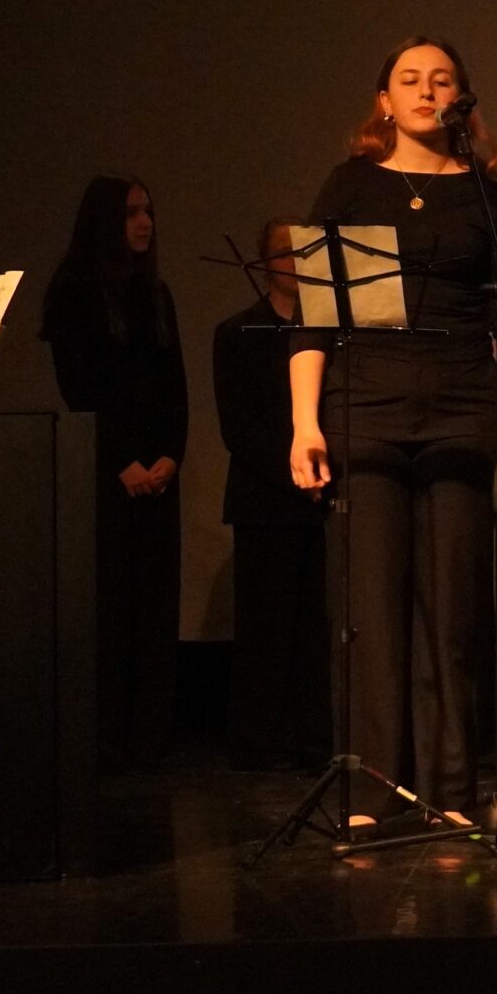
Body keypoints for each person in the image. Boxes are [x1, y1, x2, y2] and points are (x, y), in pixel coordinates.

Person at [288, 37, 497, 823]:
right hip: (366, 407)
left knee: (455, 610)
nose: (425, 91)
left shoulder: (488, 195)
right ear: (384, 100)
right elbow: (314, 318)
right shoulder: (351, 185)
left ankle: (451, 792)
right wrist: (304, 424)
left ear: (461, 97)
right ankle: (372, 789)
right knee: (371, 613)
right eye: (409, 79)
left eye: (441, 80)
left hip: (461, 409)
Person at [42, 174, 189, 768]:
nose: (145, 223)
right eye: (131, 213)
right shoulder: (74, 290)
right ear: (105, 220)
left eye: (148, 211)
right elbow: (81, 388)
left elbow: (175, 386)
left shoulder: (156, 293)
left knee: (155, 607)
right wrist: (122, 462)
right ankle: (105, 740)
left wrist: (172, 455)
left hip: (158, 470)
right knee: (112, 605)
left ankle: (151, 739)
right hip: (108, 473)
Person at [214, 218, 328, 771]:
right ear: (263, 262)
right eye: (286, 252)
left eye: (305, 251)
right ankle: (257, 739)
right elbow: (239, 429)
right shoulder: (238, 332)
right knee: (266, 626)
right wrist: (294, 474)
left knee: (315, 629)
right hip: (265, 501)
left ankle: (310, 736)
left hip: (320, 499)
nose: (297, 261)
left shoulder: (329, 333)